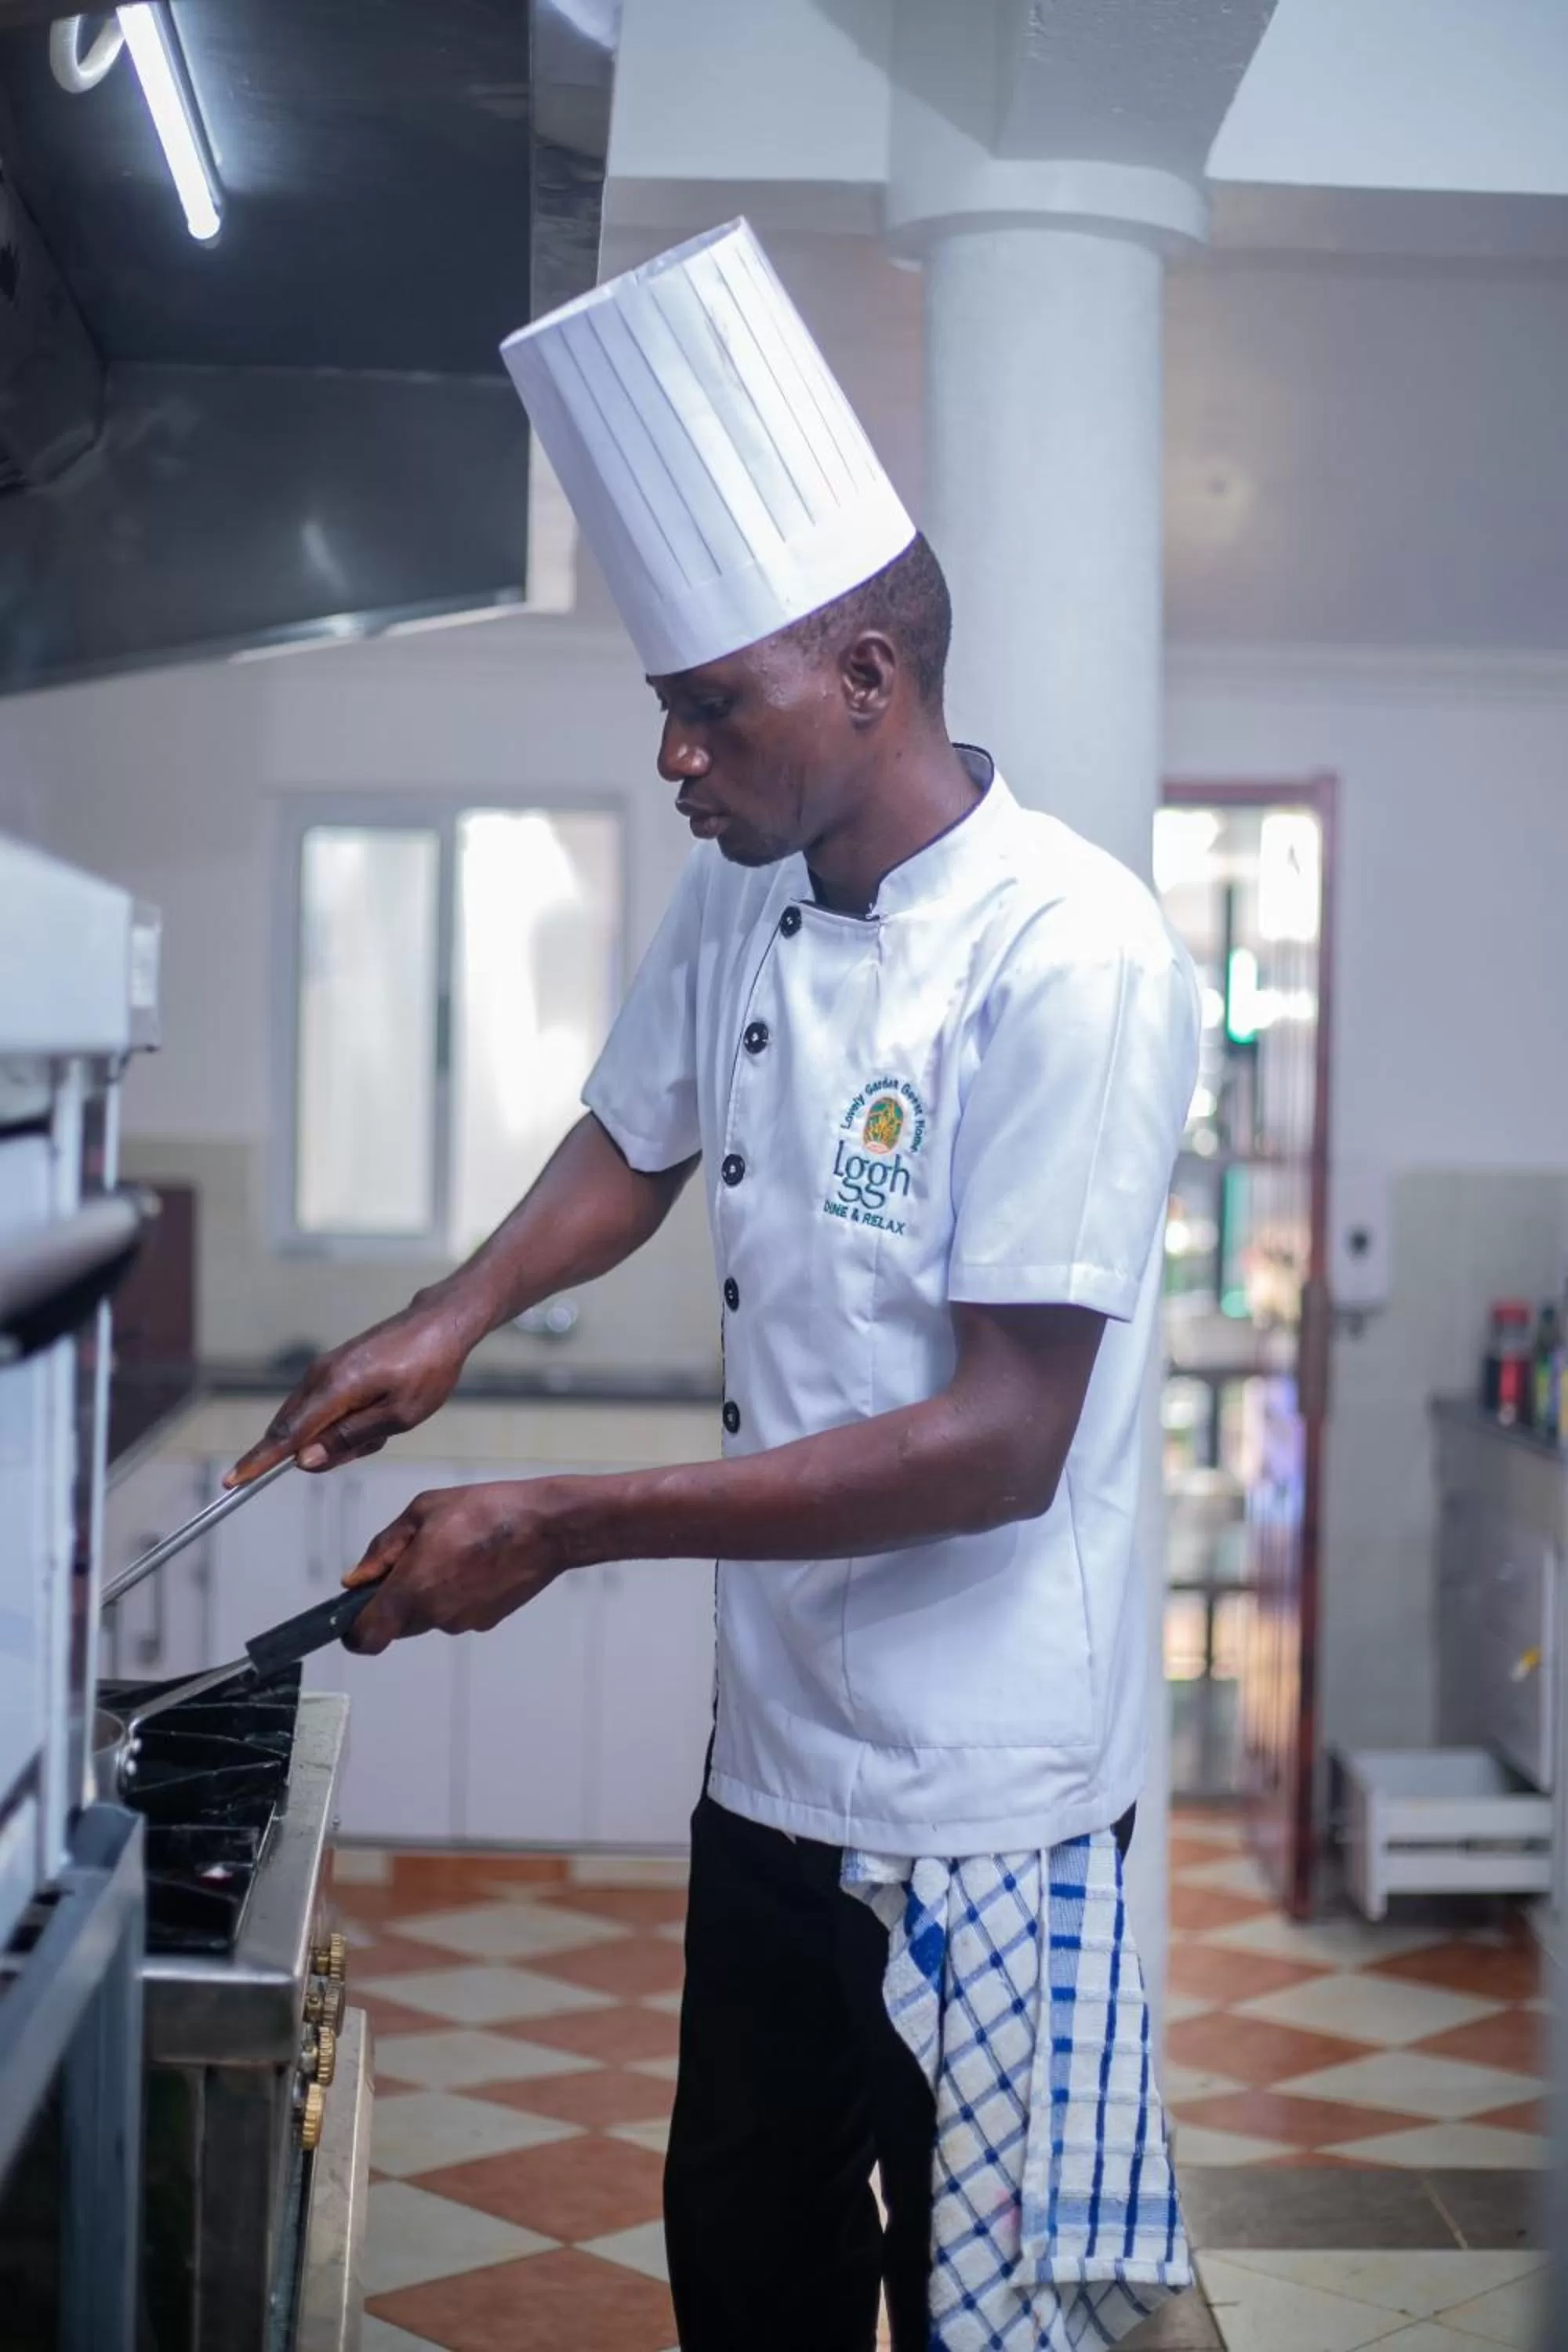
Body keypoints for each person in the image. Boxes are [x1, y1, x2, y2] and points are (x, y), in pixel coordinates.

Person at [230, 220, 1200, 2351]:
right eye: (667, 712)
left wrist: (565, 1522)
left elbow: (1000, 1443)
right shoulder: (746, 901)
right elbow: (630, 1143)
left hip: (986, 1817)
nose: (677, 760)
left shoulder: (1079, 955)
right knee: (747, 2292)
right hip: (770, 1782)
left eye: (709, 708)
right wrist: (449, 1319)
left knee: (995, 2326)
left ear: (867, 674)